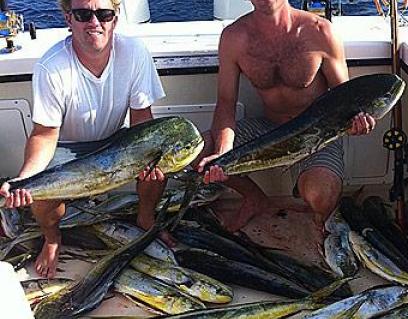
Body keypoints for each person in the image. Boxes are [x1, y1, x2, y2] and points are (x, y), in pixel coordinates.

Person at [0, 0, 169, 278]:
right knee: (41, 194)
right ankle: (52, 238)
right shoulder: (51, 66)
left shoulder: (135, 52)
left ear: (115, 18)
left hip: (115, 141)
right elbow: (45, 134)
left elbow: (141, 118)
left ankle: (146, 218)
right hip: (66, 148)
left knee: (159, 171)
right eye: (83, 14)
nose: (94, 22)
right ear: (68, 19)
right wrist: (27, 177)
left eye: (104, 14)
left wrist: (150, 156)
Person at [196, 0, 375, 245]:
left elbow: (345, 98)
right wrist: (222, 153)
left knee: (321, 195)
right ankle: (254, 198)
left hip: (316, 133)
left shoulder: (320, 31)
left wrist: (357, 120)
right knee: (196, 155)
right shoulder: (234, 37)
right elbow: (226, 102)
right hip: (268, 131)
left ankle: (322, 222)